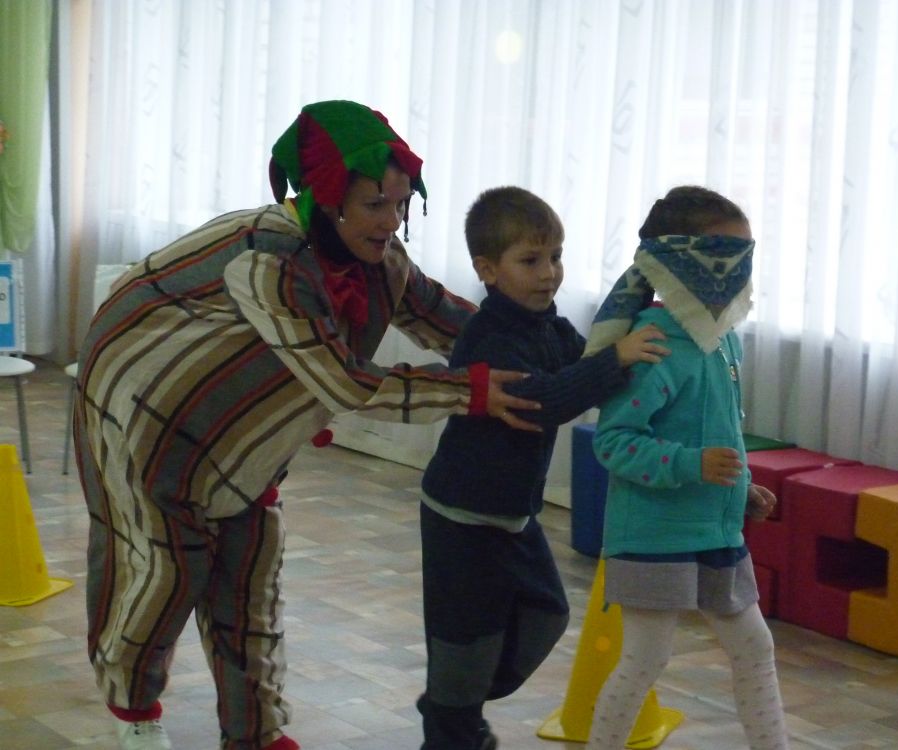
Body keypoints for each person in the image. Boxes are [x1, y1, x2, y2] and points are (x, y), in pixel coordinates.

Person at [73, 100, 542, 750]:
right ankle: (136, 715)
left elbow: (448, 319)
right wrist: (472, 391)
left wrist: (547, 348)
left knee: (249, 580)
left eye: (401, 203)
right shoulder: (267, 259)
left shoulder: (380, 260)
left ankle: (257, 735)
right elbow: (343, 381)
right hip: (151, 423)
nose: (392, 221)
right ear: (328, 199)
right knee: (169, 571)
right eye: (375, 204)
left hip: (246, 438)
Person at [416, 186, 669, 750]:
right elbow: (544, 401)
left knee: (547, 615)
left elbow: (591, 366)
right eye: (530, 260)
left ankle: (453, 701)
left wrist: (641, 296)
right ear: (487, 270)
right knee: (466, 641)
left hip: (514, 516)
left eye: (555, 256)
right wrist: (616, 358)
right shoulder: (488, 337)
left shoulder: (550, 328)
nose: (549, 273)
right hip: (462, 517)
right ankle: (453, 724)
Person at [585, 185, 789, 750]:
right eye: (727, 255)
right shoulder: (654, 346)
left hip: (715, 532)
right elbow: (614, 442)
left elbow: (717, 431)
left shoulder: (724, 344)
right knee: (646, 659)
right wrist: (692, 464)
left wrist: (741, 488)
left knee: (755, 648)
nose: (739, 270)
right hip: (653, 535)